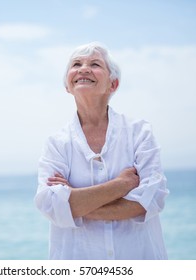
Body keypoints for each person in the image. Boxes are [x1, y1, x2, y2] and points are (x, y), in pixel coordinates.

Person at [34, 42, 169, 260]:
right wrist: (121, 185)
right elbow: (50, 205)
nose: (83, 68)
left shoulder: (139, 133)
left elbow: (151, 200)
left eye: (95, 64)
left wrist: (74, 205)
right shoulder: (56, 143)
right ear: (67, 86)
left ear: (113, 84)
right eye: (76, 64)